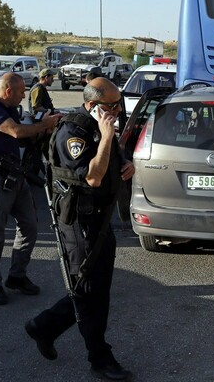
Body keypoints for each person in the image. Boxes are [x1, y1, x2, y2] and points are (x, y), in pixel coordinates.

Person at [25, 77, 135, 381]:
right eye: (110, 106)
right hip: (79, 223)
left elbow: (112, 160)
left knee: (95, 289)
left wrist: (126, 164)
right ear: (91, 105)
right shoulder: (73, 132)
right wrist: (107, 135)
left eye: (118, 104)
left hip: (101, 221)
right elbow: (93, 177)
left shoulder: (101, 129)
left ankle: (43, 326)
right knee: (89, 290)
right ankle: (100, 358)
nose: (116, 110)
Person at [0, 73, 62, 305]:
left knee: (30, 227)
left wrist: (43, 128)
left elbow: (20, 139)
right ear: (8, 91)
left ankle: (17, 276)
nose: (25, 95)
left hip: (16, 178)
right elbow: (15, 131)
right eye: (21, 91)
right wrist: (42, 125)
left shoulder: (10, 109)